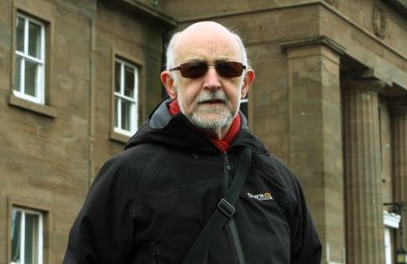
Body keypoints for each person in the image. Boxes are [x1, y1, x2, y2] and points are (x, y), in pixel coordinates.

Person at [64, 21, 322, 263]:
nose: (212, 82)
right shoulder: (128, 174)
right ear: (171, 84)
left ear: (245, 84)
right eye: (194, 70)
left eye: (227, 68)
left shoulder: (279, 179)